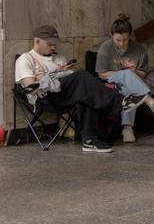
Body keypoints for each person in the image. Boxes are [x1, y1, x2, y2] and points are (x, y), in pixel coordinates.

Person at [15, 25, 136, 153]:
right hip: (45, 97)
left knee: (85, 93)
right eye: (50, 44)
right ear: (37, 41)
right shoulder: (26, 59)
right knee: (82, 77)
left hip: (64, 93)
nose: (53, 47)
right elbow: (31, 87)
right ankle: (120, 100)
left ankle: (89, 141)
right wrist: (50, 74)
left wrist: (62, 72)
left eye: (55, 44)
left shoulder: (59, 58)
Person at [95, 15, 154, 144]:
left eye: (125, 39)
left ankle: (127, 128)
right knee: (126, 74)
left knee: (129, 86)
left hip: (134, 82)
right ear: (111, 35)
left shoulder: (139, 49)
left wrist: (132, 71)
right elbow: (101, 74)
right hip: (111, 79)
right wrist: (123, 73)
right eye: (118, 40)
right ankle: (150, 101)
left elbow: (143, 74)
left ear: (130, 35)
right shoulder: (105, 48)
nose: (122, 43)